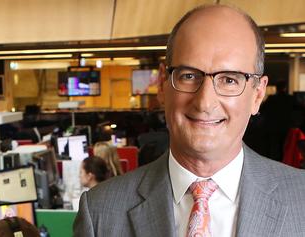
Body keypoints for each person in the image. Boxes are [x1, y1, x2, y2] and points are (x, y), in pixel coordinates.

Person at [74, 4, 305, 237]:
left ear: (257, 95)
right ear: (163, 85)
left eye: (229, 80)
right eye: (189, 76)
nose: (205, 102)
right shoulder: (100, 212)